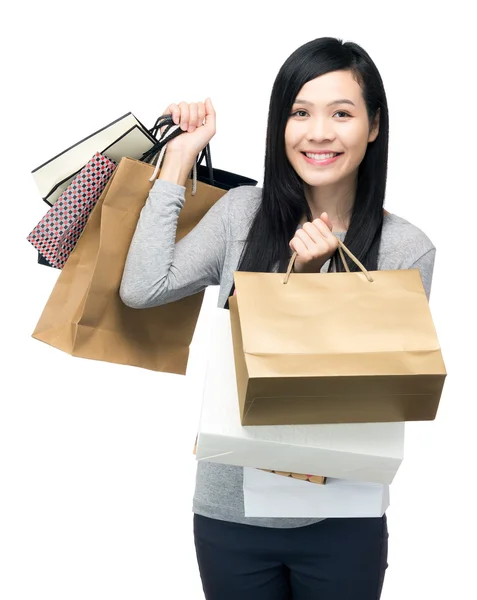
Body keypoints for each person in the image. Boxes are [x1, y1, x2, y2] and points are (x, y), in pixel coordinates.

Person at [120, 36, 436, 600]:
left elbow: (377, 390)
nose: (318, 132)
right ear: (279, 125)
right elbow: (143, 289)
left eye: (342, 113)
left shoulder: (405, 248)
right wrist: (179, 159)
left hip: (344, 516)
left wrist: (316, 286)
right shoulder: (241, 213)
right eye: (299, 112)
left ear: (374, 126)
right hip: (230, 513)